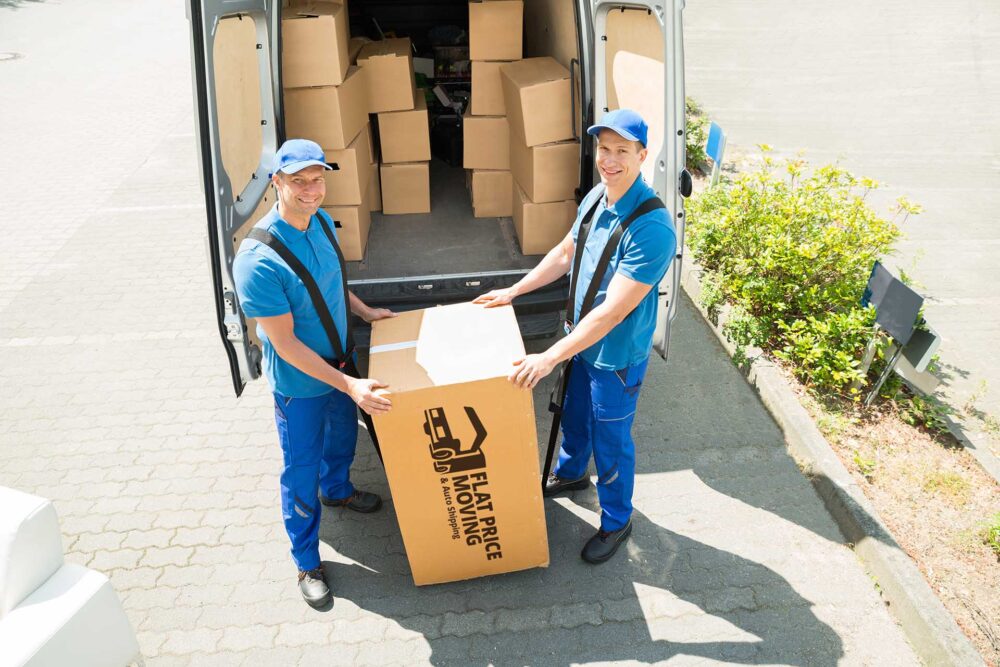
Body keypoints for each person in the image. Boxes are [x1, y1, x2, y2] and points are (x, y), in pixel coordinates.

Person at [475, 109, 676, 564]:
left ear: (642, 156)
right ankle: (569, 475)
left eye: (622, 151)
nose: (609, 159)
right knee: (574, 416)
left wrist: (547, 357)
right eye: (604, 149)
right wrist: (514, 290)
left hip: (614, 356)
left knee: (611, 440)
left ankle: (616, 520)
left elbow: (612, 312)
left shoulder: (651, 228)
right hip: (579, 342)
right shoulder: (595, 198)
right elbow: (566, 252)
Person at [232, 139, 395, 608]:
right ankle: (306, 559)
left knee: (343, 438)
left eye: (317, 178)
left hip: (341, 363)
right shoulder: (258, 259)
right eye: (298, 181)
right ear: (276, 182)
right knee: (300, 468)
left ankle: (338, 492)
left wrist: (364, 312)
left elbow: (330, 286)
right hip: (302, 385)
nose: (311, 189)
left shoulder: (322, 221)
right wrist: (351, 386)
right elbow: (284, 343)